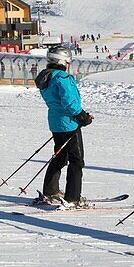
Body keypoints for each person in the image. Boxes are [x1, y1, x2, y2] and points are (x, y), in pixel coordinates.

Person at [34, 45, 93, 207]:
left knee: (60, 156)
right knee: (76, 160)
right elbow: (70, 102)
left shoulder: (47, 77)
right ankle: (73, 197)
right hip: (69, 123)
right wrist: (83, 116)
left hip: (55, 122)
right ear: (63, 61)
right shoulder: (62, 78)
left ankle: (51, 190)